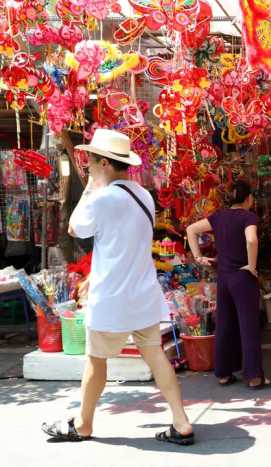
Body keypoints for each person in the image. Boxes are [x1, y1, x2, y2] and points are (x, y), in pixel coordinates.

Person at [42, 129, 194, 445]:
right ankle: (181, 422)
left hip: (111, 297)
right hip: (142, 294)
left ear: (106, 164)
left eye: (92, 163)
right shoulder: (143, 195)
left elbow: (74, 228)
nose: (88, 167)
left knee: (96, 362)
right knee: (155, 356)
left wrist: (89, 191)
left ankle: (83, 425)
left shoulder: (103, 197)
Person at [186, 180, 271, 389]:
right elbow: (252, 240)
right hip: (243, 278)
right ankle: (253, 376)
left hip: (224, 278)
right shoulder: (248, 216)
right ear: (248, 199)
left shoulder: (218, 216)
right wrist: (251, 266)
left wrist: (198, 256)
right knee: (248, 327)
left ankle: (224, 373)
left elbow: (191, 229)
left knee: (225, 325)